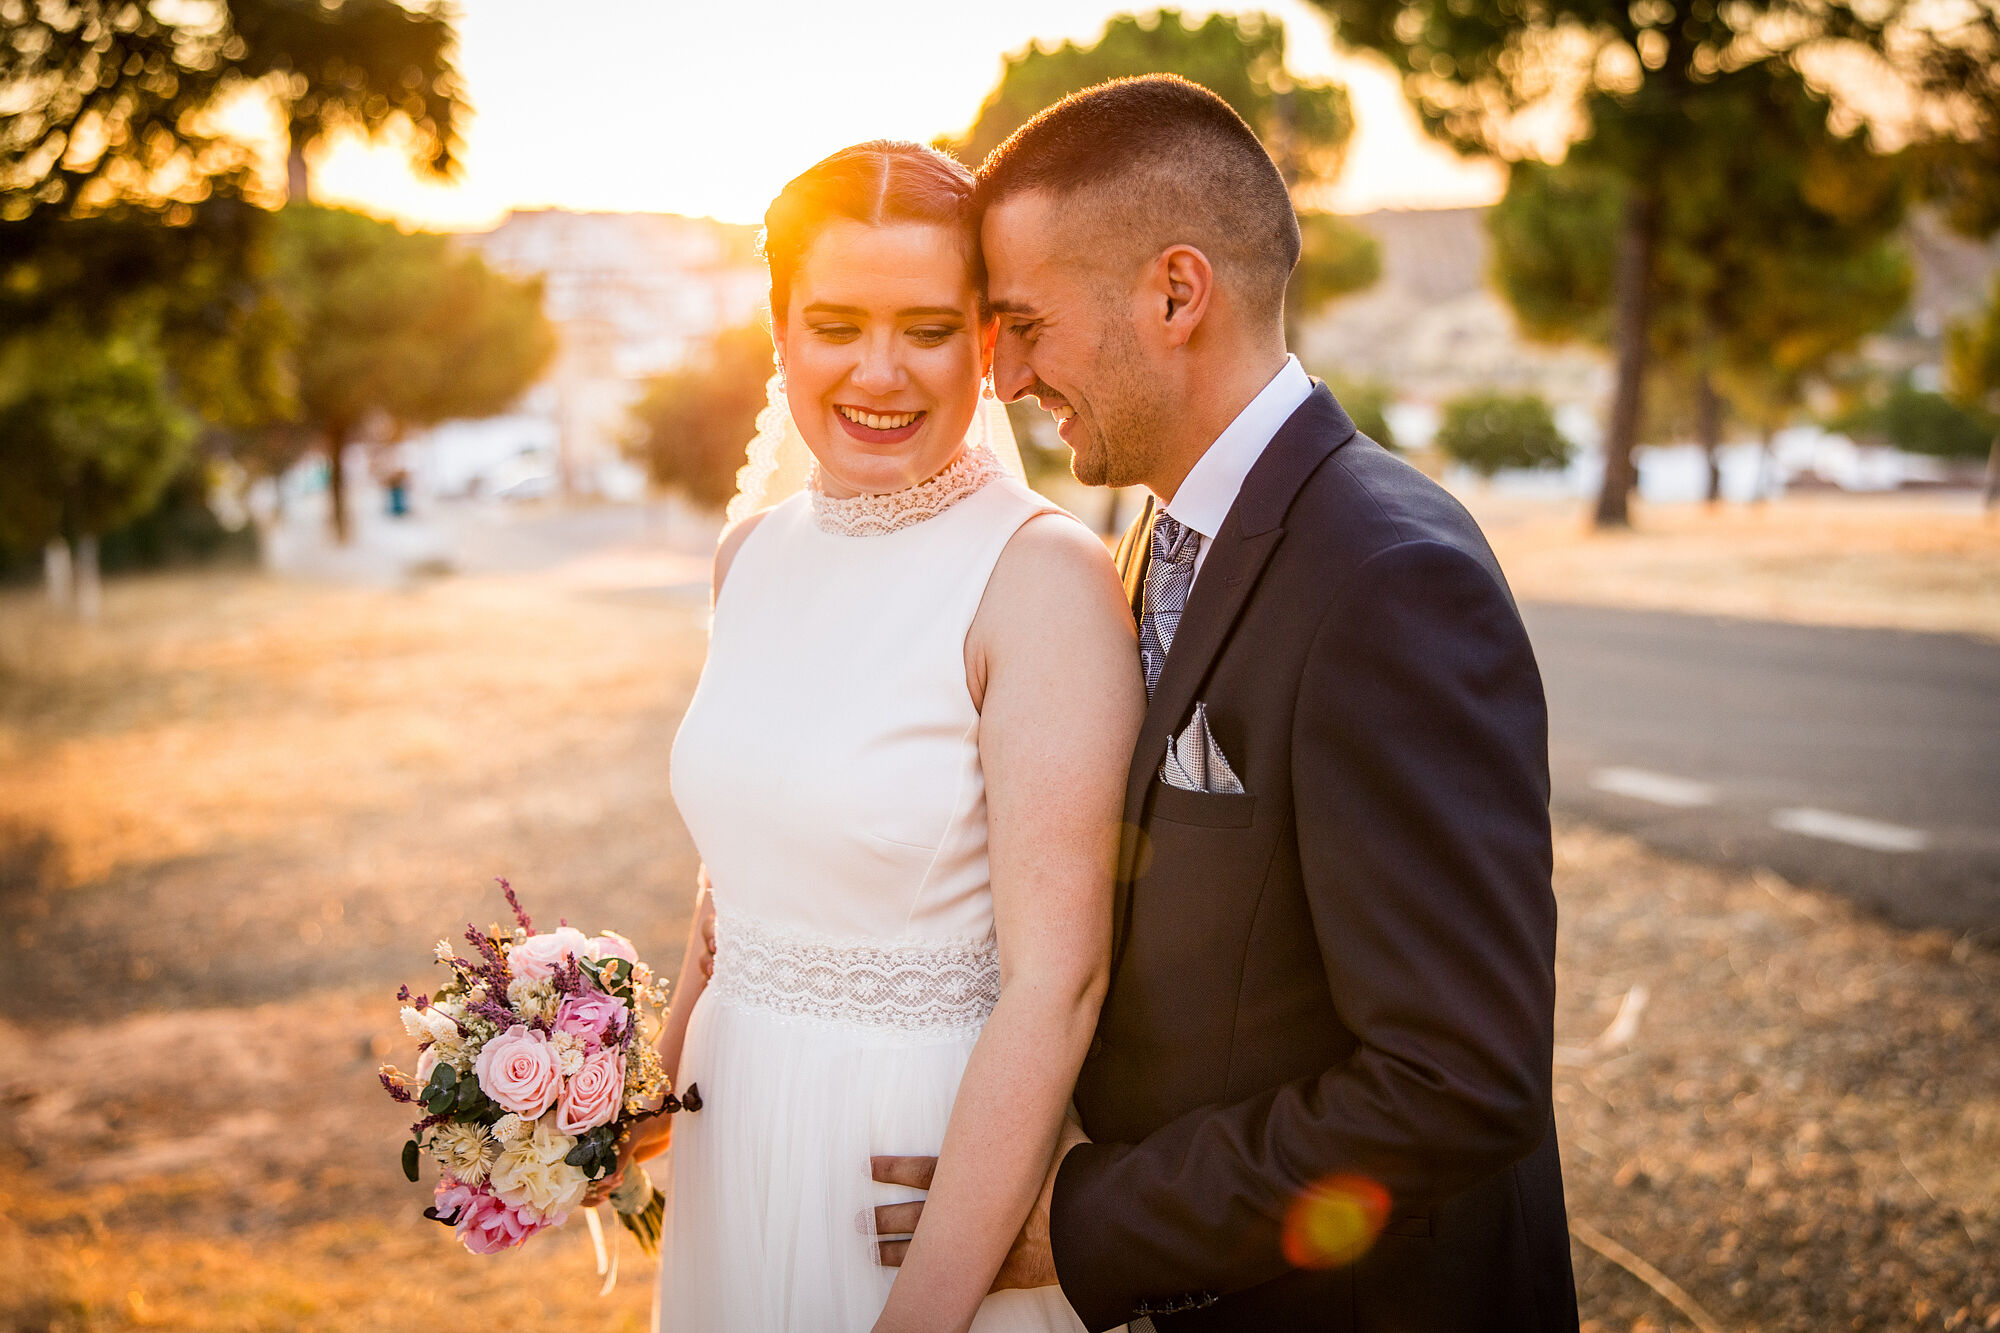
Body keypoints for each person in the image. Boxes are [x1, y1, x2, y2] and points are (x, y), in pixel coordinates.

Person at [873, 76, 1580, 1332]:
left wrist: (1088, 1223)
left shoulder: (1388, 579)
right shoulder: (1146, 542)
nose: (1009, 372)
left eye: (1025, 321)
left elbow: (1456, 1079)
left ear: (1175, 293)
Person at [597, 140, 1145, 1333]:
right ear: (780, 332)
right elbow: (727, 885)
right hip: (731, 1125)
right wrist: (640, 1093)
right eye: (836, 324)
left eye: (929, 328)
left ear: (988, 343)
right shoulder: (751, 554)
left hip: (908, 1168)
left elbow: (1061, 979)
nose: (879, 373)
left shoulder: (1038, 577)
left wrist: (924, 1313)